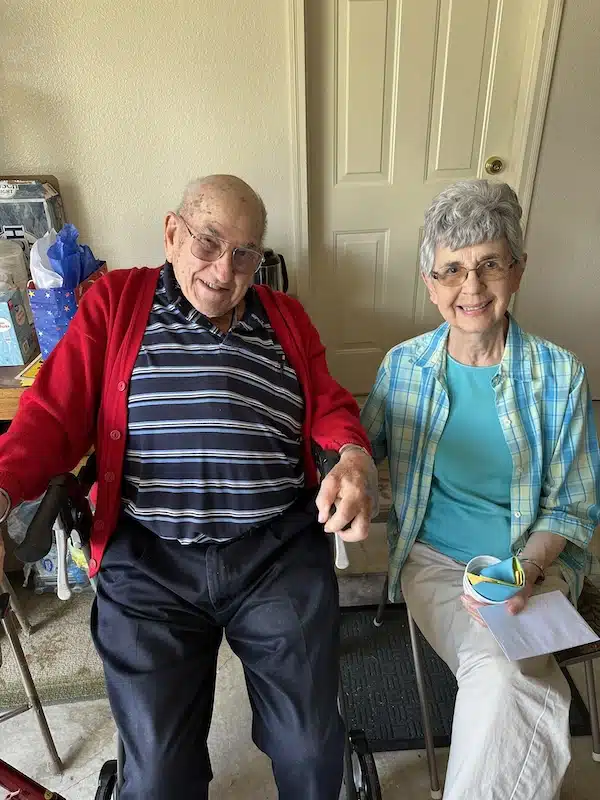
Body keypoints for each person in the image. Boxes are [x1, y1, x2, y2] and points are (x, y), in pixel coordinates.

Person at [0, 175, 377, 800]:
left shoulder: (286, 318)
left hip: (275, 554)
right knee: (156, 777)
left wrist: (354, 456)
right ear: (172, 234)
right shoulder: (116, 302)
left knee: (311, 749)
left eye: (244, 253)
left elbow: (329, 405)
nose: (224, 271)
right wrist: (4, 488)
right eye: (209, 242)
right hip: (148, 560)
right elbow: (52, 417)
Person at [361, 179, 600, 799]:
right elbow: (358, 451)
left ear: (517, 270)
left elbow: (573, 505)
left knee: (506, 678)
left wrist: (527, 567)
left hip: (535, 564)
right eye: (452, 270)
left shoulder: (561, 375)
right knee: (507, 674)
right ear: (430, 283)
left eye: (490, 264)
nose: (471, 287)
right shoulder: (404, 367)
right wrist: (338, 465)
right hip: (437, 563)